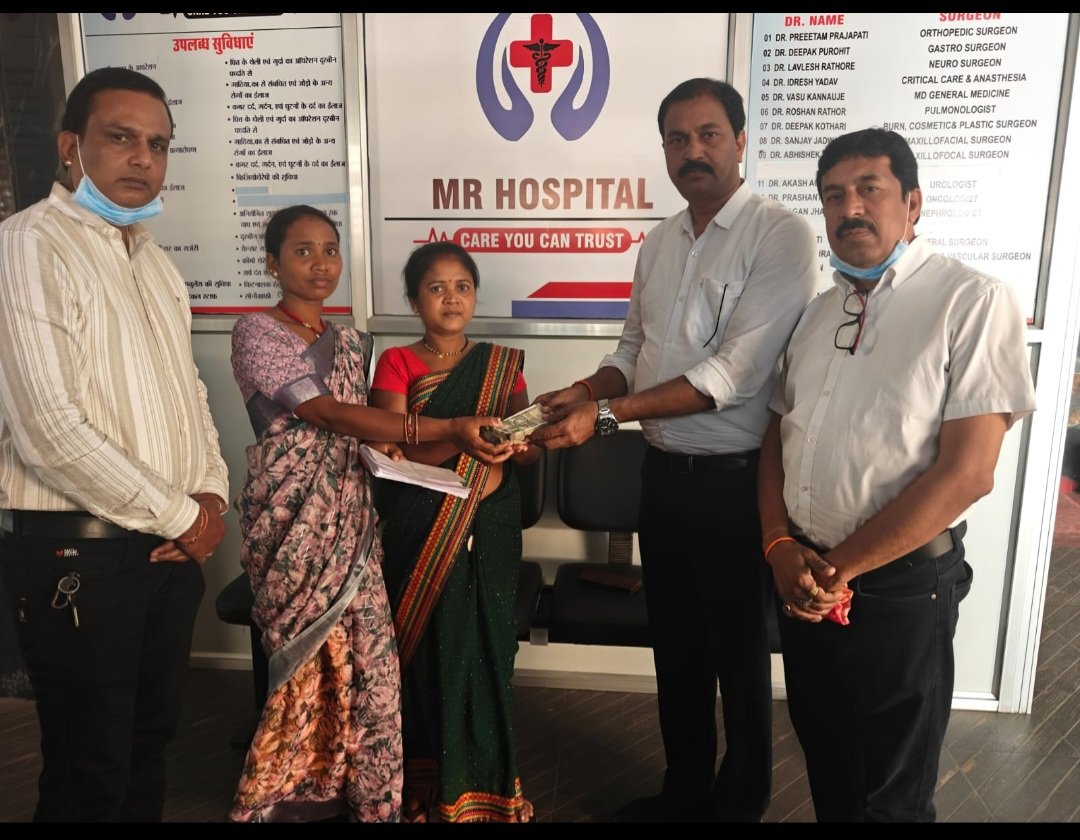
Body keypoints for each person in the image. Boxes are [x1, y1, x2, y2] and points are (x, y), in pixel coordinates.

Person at [529, 78, 817, 822]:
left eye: (709, 134)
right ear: (663, 149)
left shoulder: (780, 235)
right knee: (677, 650)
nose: (694, 151)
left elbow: (733, 375)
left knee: (739, 659)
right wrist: (582, 391)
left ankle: (740, 803)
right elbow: (632, 349)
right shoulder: (659, 242)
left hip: (735, 487)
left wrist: (603, 416)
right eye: (677, 139)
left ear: (741, 141)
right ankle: (684, 792)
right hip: (661, 478)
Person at [757, 128, 1037, 822]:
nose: (849, 208)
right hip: (805, 577)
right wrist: (779, 544)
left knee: (892, 793)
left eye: (869, 189)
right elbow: (776, 436)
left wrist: (839, 570)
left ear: (913, 203)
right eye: (833, 196)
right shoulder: (818, 314)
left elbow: (968, 473)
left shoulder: (971, 301)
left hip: (900, 588)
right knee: (827, 760)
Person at [228, 207, 514, 822]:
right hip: (293, 523)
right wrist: (445, 430)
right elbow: (327, 414)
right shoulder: (256, 332)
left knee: (373, 665)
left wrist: (400, 449)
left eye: (330, 250)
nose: (320, 263)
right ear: (272, 262)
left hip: (354, 519)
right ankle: (289, 802)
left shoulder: (354, 343)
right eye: (302, 251)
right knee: (309, 665)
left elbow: (370, 436)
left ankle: (367, 796)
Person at [0, 67, 229, 822]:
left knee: (146, 746)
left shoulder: (153, 261)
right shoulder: (29, 245)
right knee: (88, 769)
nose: (142, 158)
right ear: (71, 146)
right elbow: (48, 429)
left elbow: (190, 394)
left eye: (158, 144)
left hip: (165, 551)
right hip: (80, 556)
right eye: (121, 137)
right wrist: (183, 516)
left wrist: (211, 492)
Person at [370, 241, 540, 823]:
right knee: (425, 651)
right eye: (436, 288)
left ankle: (485, 784)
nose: (451, 298)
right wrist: (458, 440)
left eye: (462, 287)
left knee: (485, 647)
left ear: (475, 296)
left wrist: (521, 445)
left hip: (489, 524)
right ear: (413, 299)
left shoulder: (502, 364)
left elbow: (525, 448)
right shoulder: (397, 362)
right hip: (422, 521)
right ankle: (423, 780)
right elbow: (390, 443)